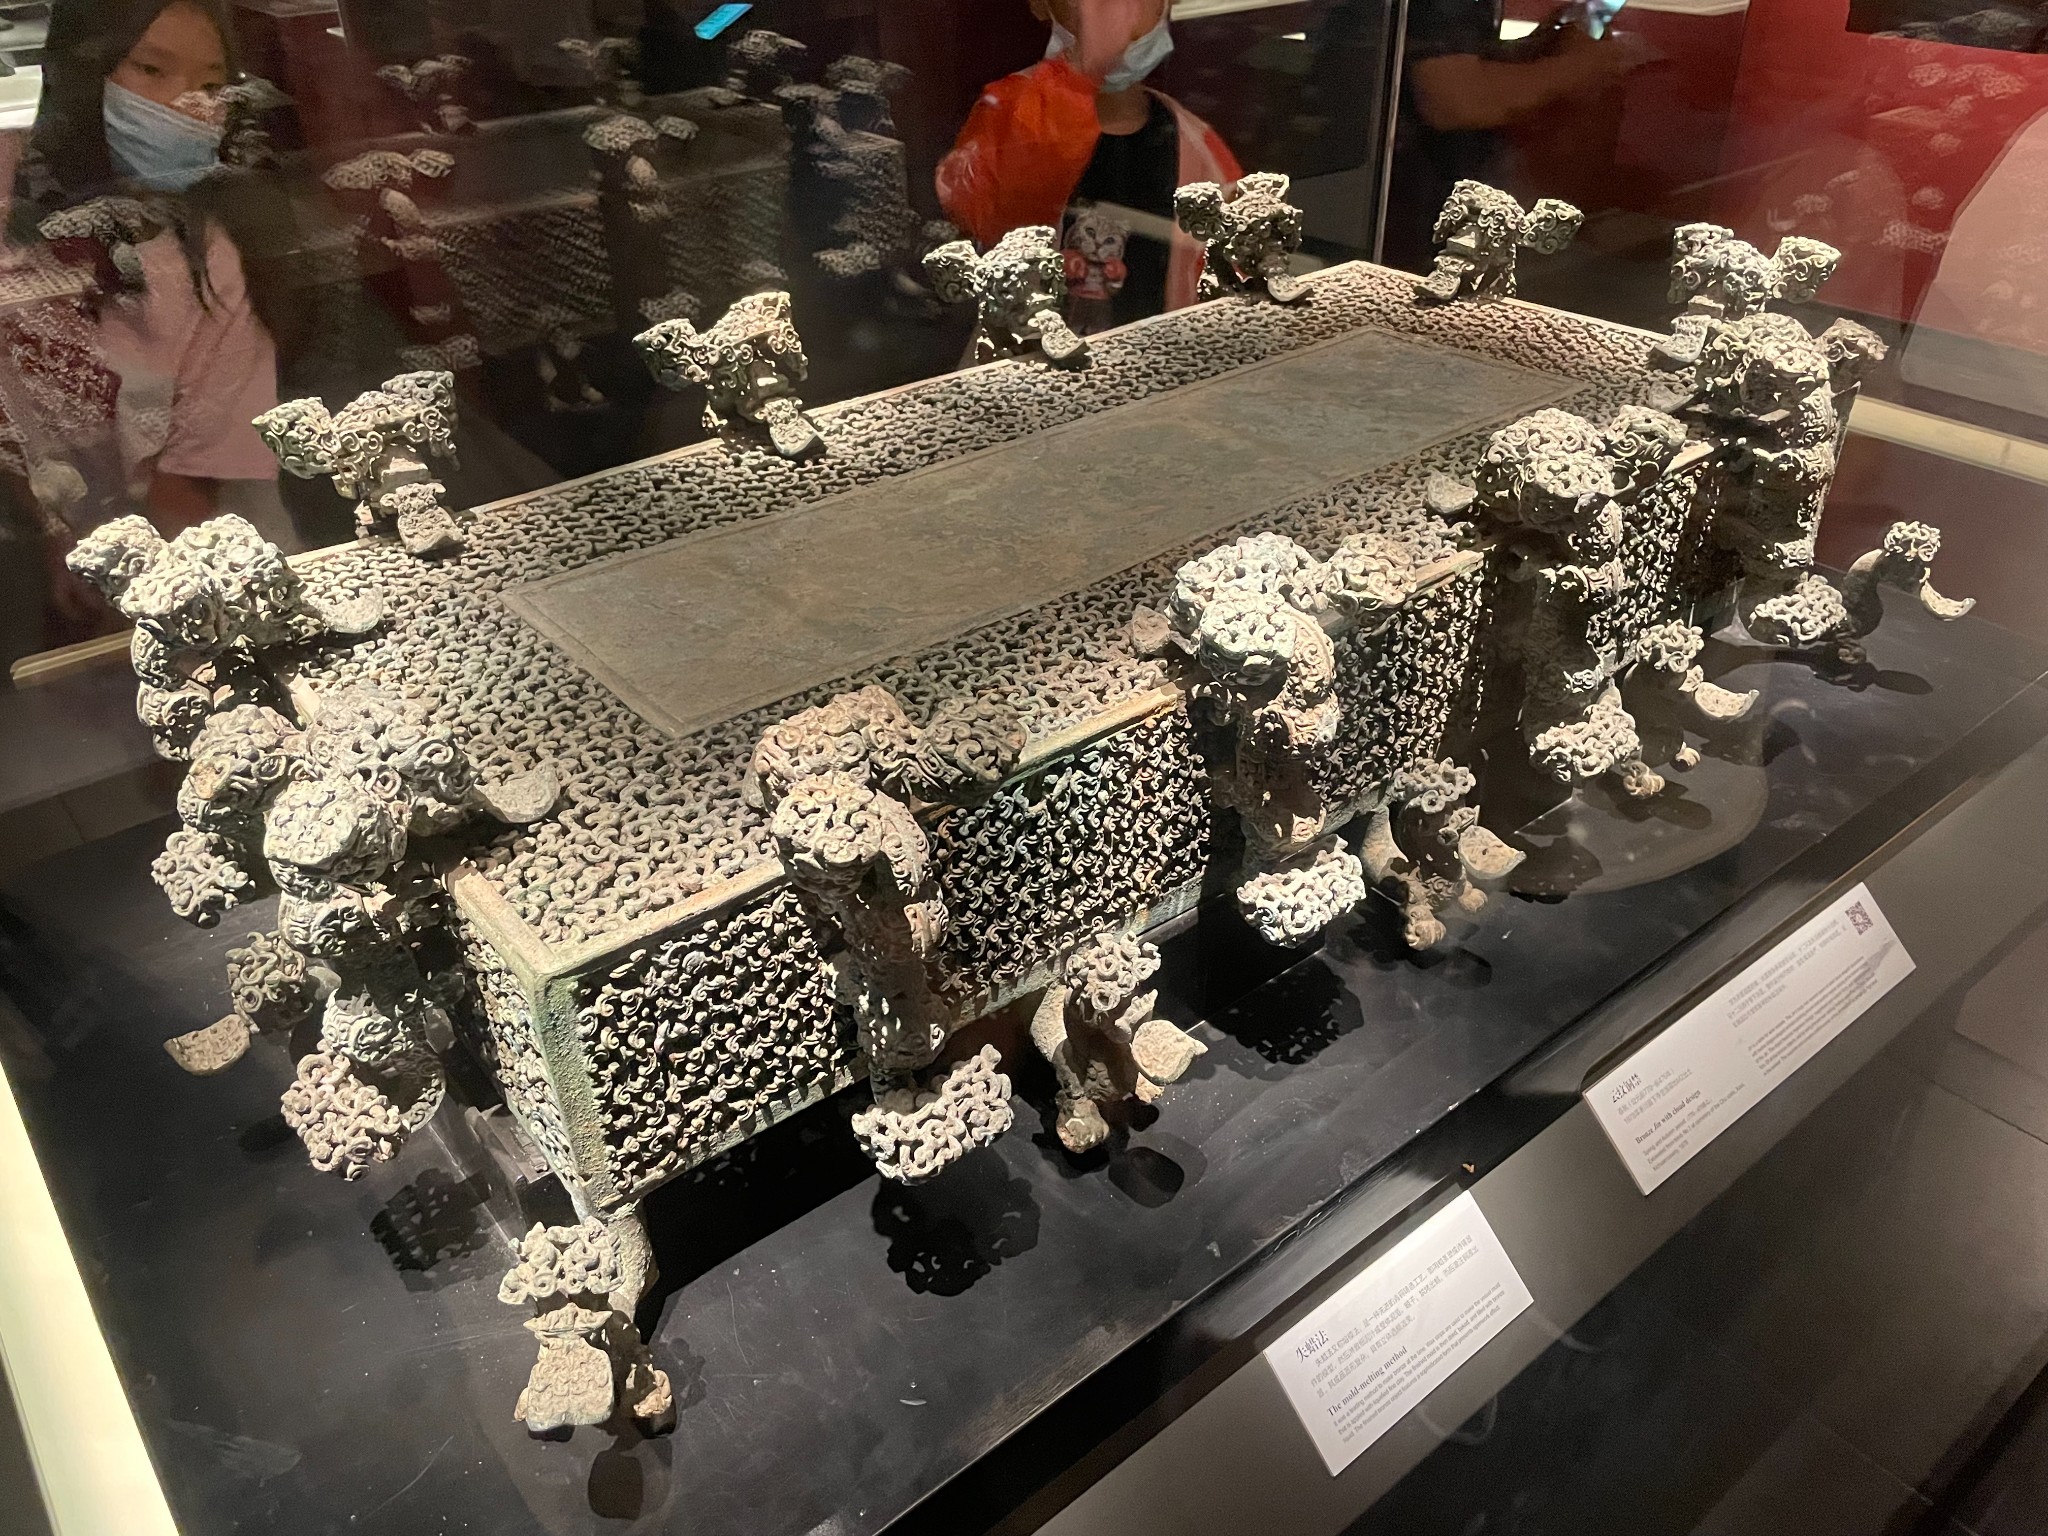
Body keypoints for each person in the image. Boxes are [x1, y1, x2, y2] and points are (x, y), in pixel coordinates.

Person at [4, 0, 280, 537]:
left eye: (210, 85)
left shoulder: (212, 247)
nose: (185, 107)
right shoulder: (13, 211)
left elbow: (196, 483)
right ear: (84, 73)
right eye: (152, 70)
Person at [935, 0, 1240, 329]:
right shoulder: (1007, 114)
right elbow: (984, 218)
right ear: (1039, 4)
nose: (1115, 13)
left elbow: (1234, 273)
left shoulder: (1198, 146)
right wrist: (1078, 76)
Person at [1382, 0, 1638, 274]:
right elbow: (1455, 101)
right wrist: (1584, 65)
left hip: (1445, 214)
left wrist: (1535, 49)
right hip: (1402, 218)